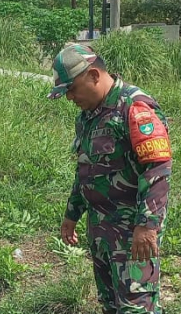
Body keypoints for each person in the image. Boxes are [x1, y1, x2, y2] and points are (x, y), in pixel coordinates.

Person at [50, 43, 171, 313]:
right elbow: (86, 170)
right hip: (101, 231)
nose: (70, 98)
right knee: (111, 305)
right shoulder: (87, 117)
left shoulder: (135, 108)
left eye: (71, 89)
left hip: (133, 234)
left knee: (136, 308)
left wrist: (147, 226)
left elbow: (158, 169)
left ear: (93, 75)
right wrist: (72, 214)